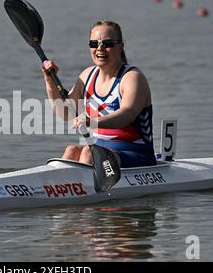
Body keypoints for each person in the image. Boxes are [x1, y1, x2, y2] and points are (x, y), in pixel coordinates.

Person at [41, 20, 156, 168]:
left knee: (88, 154)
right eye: (94, 44)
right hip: (100, 152)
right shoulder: (87, 75)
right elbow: (66, 113)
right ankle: (58, 187)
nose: (99, 48)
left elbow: (127, 114)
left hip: (136, 154)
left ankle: (80, 188)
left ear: (120, 47)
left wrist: (92, 121)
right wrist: (49, 81)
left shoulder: (132, 77)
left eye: (107, 44)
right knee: (71, 151)